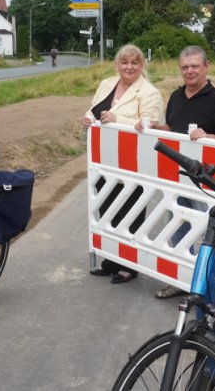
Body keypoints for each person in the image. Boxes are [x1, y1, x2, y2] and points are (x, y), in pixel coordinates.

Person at [135, 45, 215, 300]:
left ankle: (211, 281)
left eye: (194, 66)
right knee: (177, 223)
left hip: (205, 179)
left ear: (206, 67)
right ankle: (183, 279)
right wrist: (154, 127)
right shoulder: (176, 96)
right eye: (185, 67)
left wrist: (207, 136)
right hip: (177, 175)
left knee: (204, 227)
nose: (189, 71)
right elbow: (172, 127)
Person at [82, 44, 164, 284]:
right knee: (107, 208)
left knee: (131, 212)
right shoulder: (107, 84)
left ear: (142, 66)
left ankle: (129, 265)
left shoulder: (149, 92)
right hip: (105, 159)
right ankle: (111, 260)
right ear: (117, 65)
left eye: (135, 63)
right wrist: (88, 118)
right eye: (124, 62)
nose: (129, 67)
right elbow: (94, 108)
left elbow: (150, 125)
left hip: (133, 162)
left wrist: (118, 119)